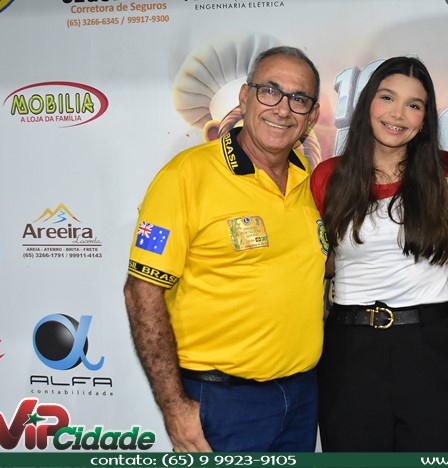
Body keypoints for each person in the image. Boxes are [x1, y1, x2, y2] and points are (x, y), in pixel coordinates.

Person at [123, 46, 327, 452]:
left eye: (299, 99)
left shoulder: (309, 181)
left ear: (312, 115)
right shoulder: (185, 175)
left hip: (301, 398)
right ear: (245, 97)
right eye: (270, 91)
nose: (283, 109)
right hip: (221, 401)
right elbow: (141, 291)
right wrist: (174, 407)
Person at [311, 56, 448, 452]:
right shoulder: (328, 177)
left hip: (429, 344)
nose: (398, 114)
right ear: (367, 103)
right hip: (350, 347)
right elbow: (320, 261)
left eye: (414, 105)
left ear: (424, 119)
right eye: (387, 98)